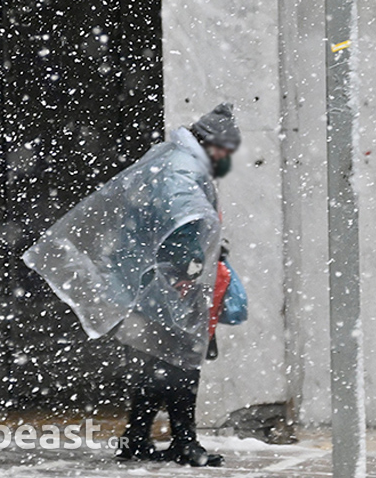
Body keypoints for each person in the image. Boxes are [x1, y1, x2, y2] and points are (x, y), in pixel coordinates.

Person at [22, 103, 240, 467]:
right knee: (182, 363)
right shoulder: (182, 168)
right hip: (164, 281)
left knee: (158, 361)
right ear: (209, 143)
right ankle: (183, 442)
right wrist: (187, 267)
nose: (224, 158)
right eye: (223, 150)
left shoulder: (173, 158)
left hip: (147, 277)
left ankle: (137, 438)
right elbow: (180, 218)